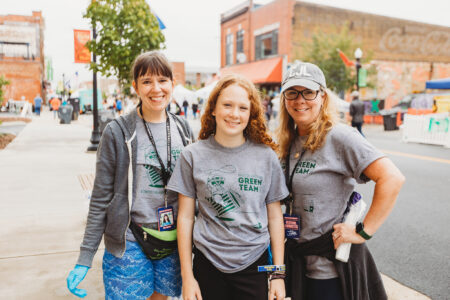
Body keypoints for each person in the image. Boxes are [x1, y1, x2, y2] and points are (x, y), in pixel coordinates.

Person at [66, 51, 194, 300]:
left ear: (172, 84)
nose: (156, 89)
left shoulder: (184, 129)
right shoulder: (117, 132)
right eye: (147, 81)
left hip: (173, 240)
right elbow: (101, 197)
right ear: (135, 86)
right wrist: (86, 255)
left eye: (162, 80)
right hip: (130, 240)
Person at [276, 61, 405, 300]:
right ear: (284, 99)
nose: (300, 100)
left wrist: (363, 232)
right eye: (292, 92)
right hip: (297, 261)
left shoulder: (339, 136)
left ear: (322, 97)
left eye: (308, 92)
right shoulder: (288, 141)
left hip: (330, 269)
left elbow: (392, 178)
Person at [168, 74, 289, 300]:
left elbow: (275, 217)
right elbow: (185, 218)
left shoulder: (266, 157)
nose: (234, 114)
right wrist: (187, 277)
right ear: (213, 108)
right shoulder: (192, 156)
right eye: (227, 105)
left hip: (255, 264)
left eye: (243, 108)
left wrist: (278, 276)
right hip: (207, 263)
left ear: (251, 114)